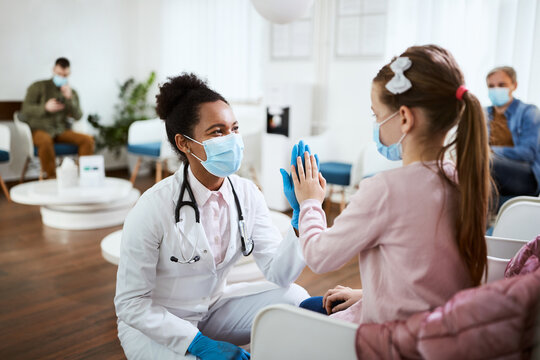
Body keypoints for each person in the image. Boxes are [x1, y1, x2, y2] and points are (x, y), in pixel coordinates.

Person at [282, 45, 492, 324]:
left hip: (392, 340)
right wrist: (369, 294)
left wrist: (309, 202)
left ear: (404, 118)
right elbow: (424, 274)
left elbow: (319, 257)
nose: (376, 125)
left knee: (293, 313)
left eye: (376, 115)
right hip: (439, 329)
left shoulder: (385, 191)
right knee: (311, 305)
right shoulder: (462, 179)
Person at [114, 73, 309, 360]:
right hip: (154, 324)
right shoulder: (153, 207)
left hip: (212, 309)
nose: (232, 140)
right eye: (217, 132)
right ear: (185, 143)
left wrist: (300, 218)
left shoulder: (247, 194)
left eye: (235, 129)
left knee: (295, 299)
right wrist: (196, 342)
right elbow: (131, 304)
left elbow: (279, 273)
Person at [21, 57, 94, 178]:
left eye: (65, 75)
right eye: (59, 74)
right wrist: (45, 107)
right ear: (54, 70)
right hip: (39, 130)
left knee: (87, 140)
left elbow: (78, 116)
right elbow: (25, 110)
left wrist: (69, 99)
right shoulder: (38, 86)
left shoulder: (71, 92)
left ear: (69, 73)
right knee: (45, 141)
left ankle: (84, 176)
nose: (62, 77)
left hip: (60, 130)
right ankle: (52, 178)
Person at [485, 66, 540, 198]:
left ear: (514, 85)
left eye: (501, 85)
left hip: (526, 175)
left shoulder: (529, 112)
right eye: (491, 86)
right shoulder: (483, 114)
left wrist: (491, 150)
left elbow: (527, 153)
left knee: (485, 162)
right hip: (493, 172)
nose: (496, 89)